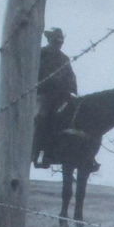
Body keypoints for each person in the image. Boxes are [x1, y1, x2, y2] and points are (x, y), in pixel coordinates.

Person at [32, 27, 77, 169]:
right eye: (56, 40)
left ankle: (77, 153)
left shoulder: (64, 59)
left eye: (60, 41)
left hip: (61, 96)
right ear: (49, 39)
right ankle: (38, 152)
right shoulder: (40, 54)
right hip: (42, 94)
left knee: (75, 116)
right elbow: (32, 73)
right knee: (42, 117)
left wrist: (72, 91)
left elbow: (71, 76)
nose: (59, 43)